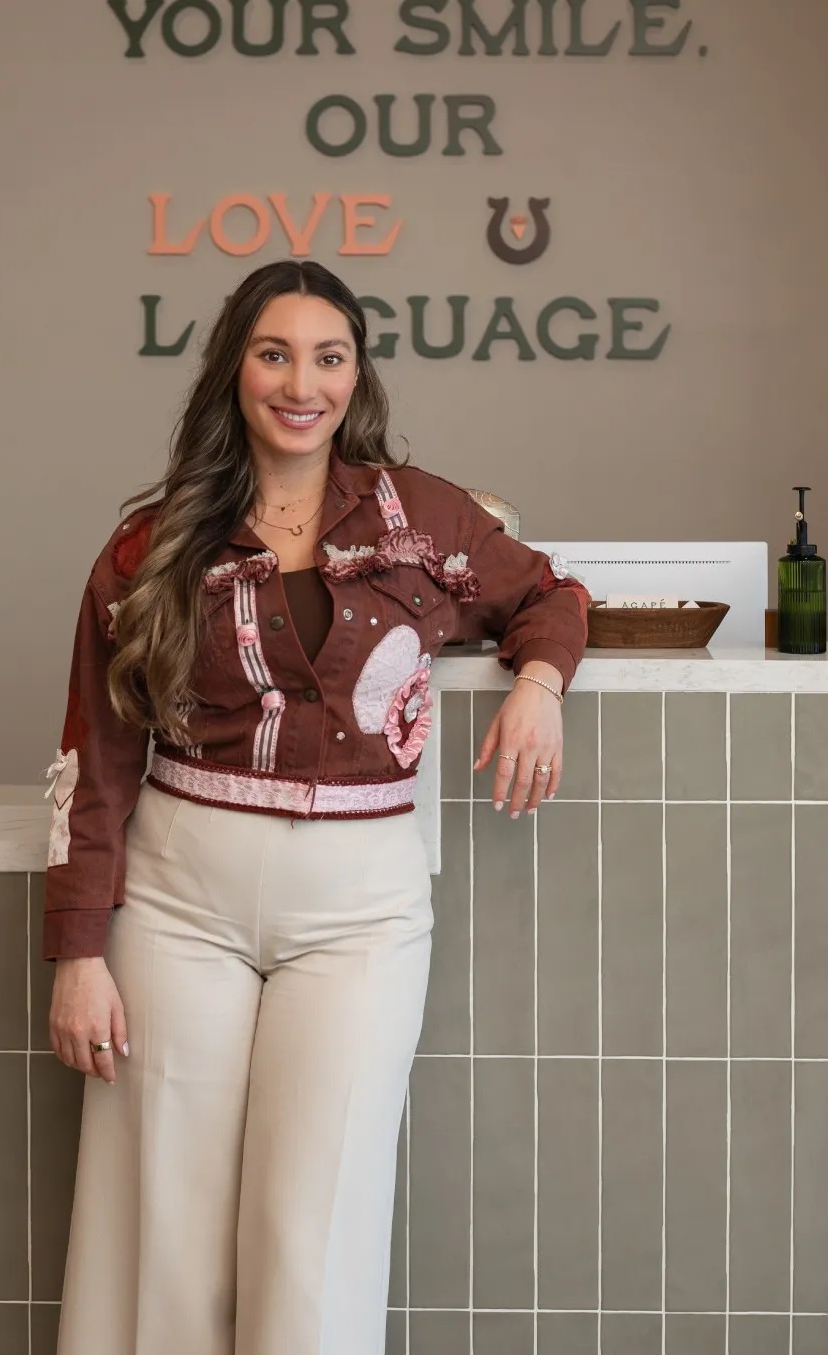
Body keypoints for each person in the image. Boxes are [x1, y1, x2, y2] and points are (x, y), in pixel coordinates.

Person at [42, 258, 589, 1355]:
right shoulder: (149, 545)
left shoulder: (423, 514)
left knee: (317, 1222)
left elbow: (550, 595)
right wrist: (77, 952)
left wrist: (538, 686)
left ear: (357, 374)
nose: (304, 383)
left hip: (359, 916)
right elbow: (95, 755)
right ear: (234, 369)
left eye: (328, 357)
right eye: (275, 352)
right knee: (167, 1225)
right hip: (177, 906)